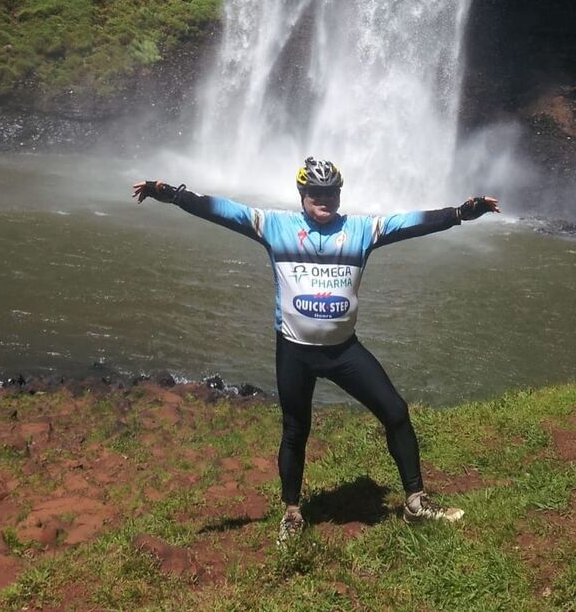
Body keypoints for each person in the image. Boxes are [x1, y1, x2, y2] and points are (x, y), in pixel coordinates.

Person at [133, 157, 500, 543]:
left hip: (343, 351)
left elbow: (410, 223)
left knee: (395, 412)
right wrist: (171, 194)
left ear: (339, 194)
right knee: (295, 430)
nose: (323, 198)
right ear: (302, 195)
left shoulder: (361, 230)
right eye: (315, 192)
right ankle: (292, 512)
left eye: (330, 192)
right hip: (295, 351)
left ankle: (415, 501)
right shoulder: (275, 226)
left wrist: (459, 213)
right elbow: (222, 210)